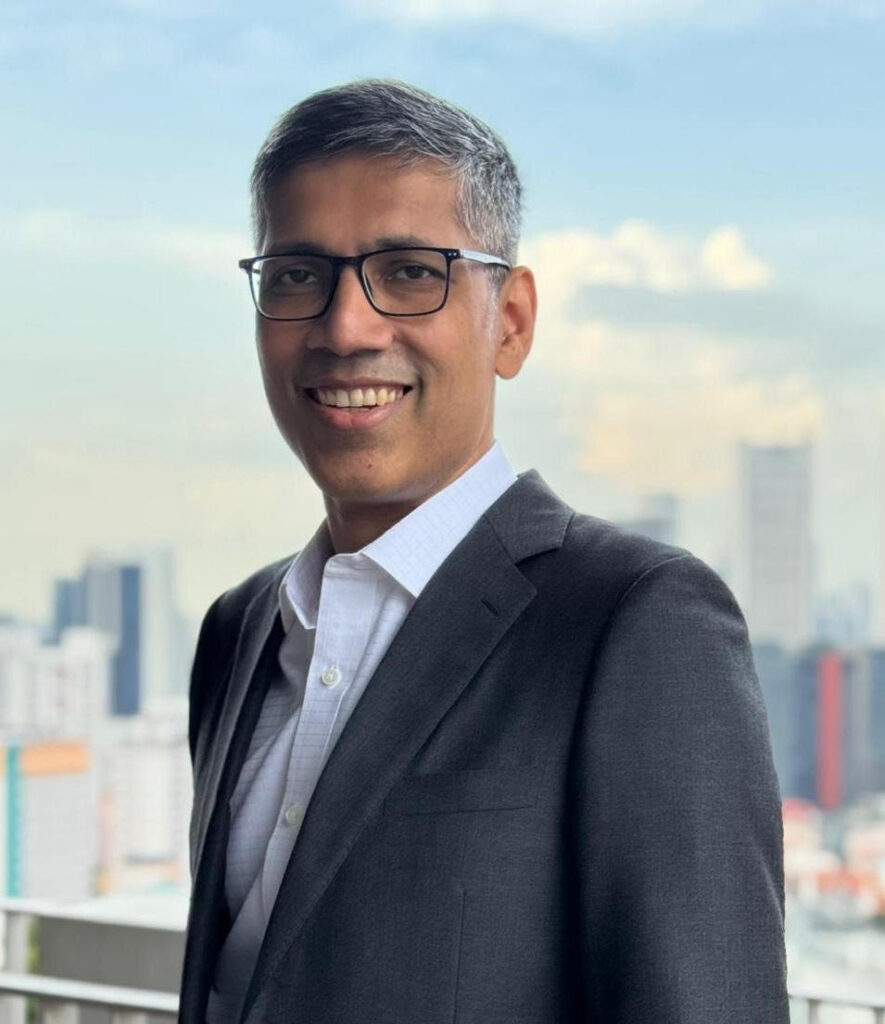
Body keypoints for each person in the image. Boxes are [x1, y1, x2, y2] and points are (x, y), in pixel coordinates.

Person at [178, 79, 789, 1024]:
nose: (345, 327)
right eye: (298, 275)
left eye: (409, 272)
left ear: (509, 322)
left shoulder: (635, 621)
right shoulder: (240, 629)